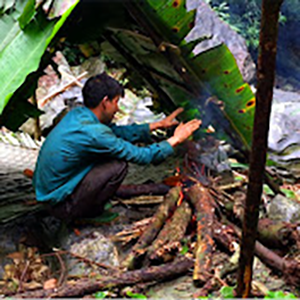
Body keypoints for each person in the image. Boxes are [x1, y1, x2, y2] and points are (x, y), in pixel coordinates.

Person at [33, 72, 201, 220]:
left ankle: (81, 204)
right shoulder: (95, 133)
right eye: (116, 102)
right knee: (118, 166)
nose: (117, 108)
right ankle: (86, 213)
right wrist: (176, 139)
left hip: (50, 194)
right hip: (60, 205)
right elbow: (143, 156)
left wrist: (157, 125)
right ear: (105, 102)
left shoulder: (78, 114)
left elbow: (115, 132)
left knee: (108, 156)